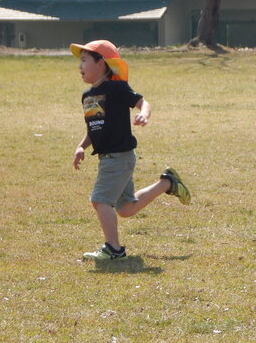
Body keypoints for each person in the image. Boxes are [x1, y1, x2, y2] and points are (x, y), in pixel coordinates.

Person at [70, 39, 191, 262]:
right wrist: (81, 146)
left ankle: (114, 249)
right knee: (126, 208)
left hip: (119, 157)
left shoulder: (117, 88)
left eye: (85, 60)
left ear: (101, 63)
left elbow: (143, 102)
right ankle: (167, 182)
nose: (80, 66)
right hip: (109, 158)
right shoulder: (87, 96)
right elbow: (94, 127)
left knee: (100, 201)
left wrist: (144, 114)